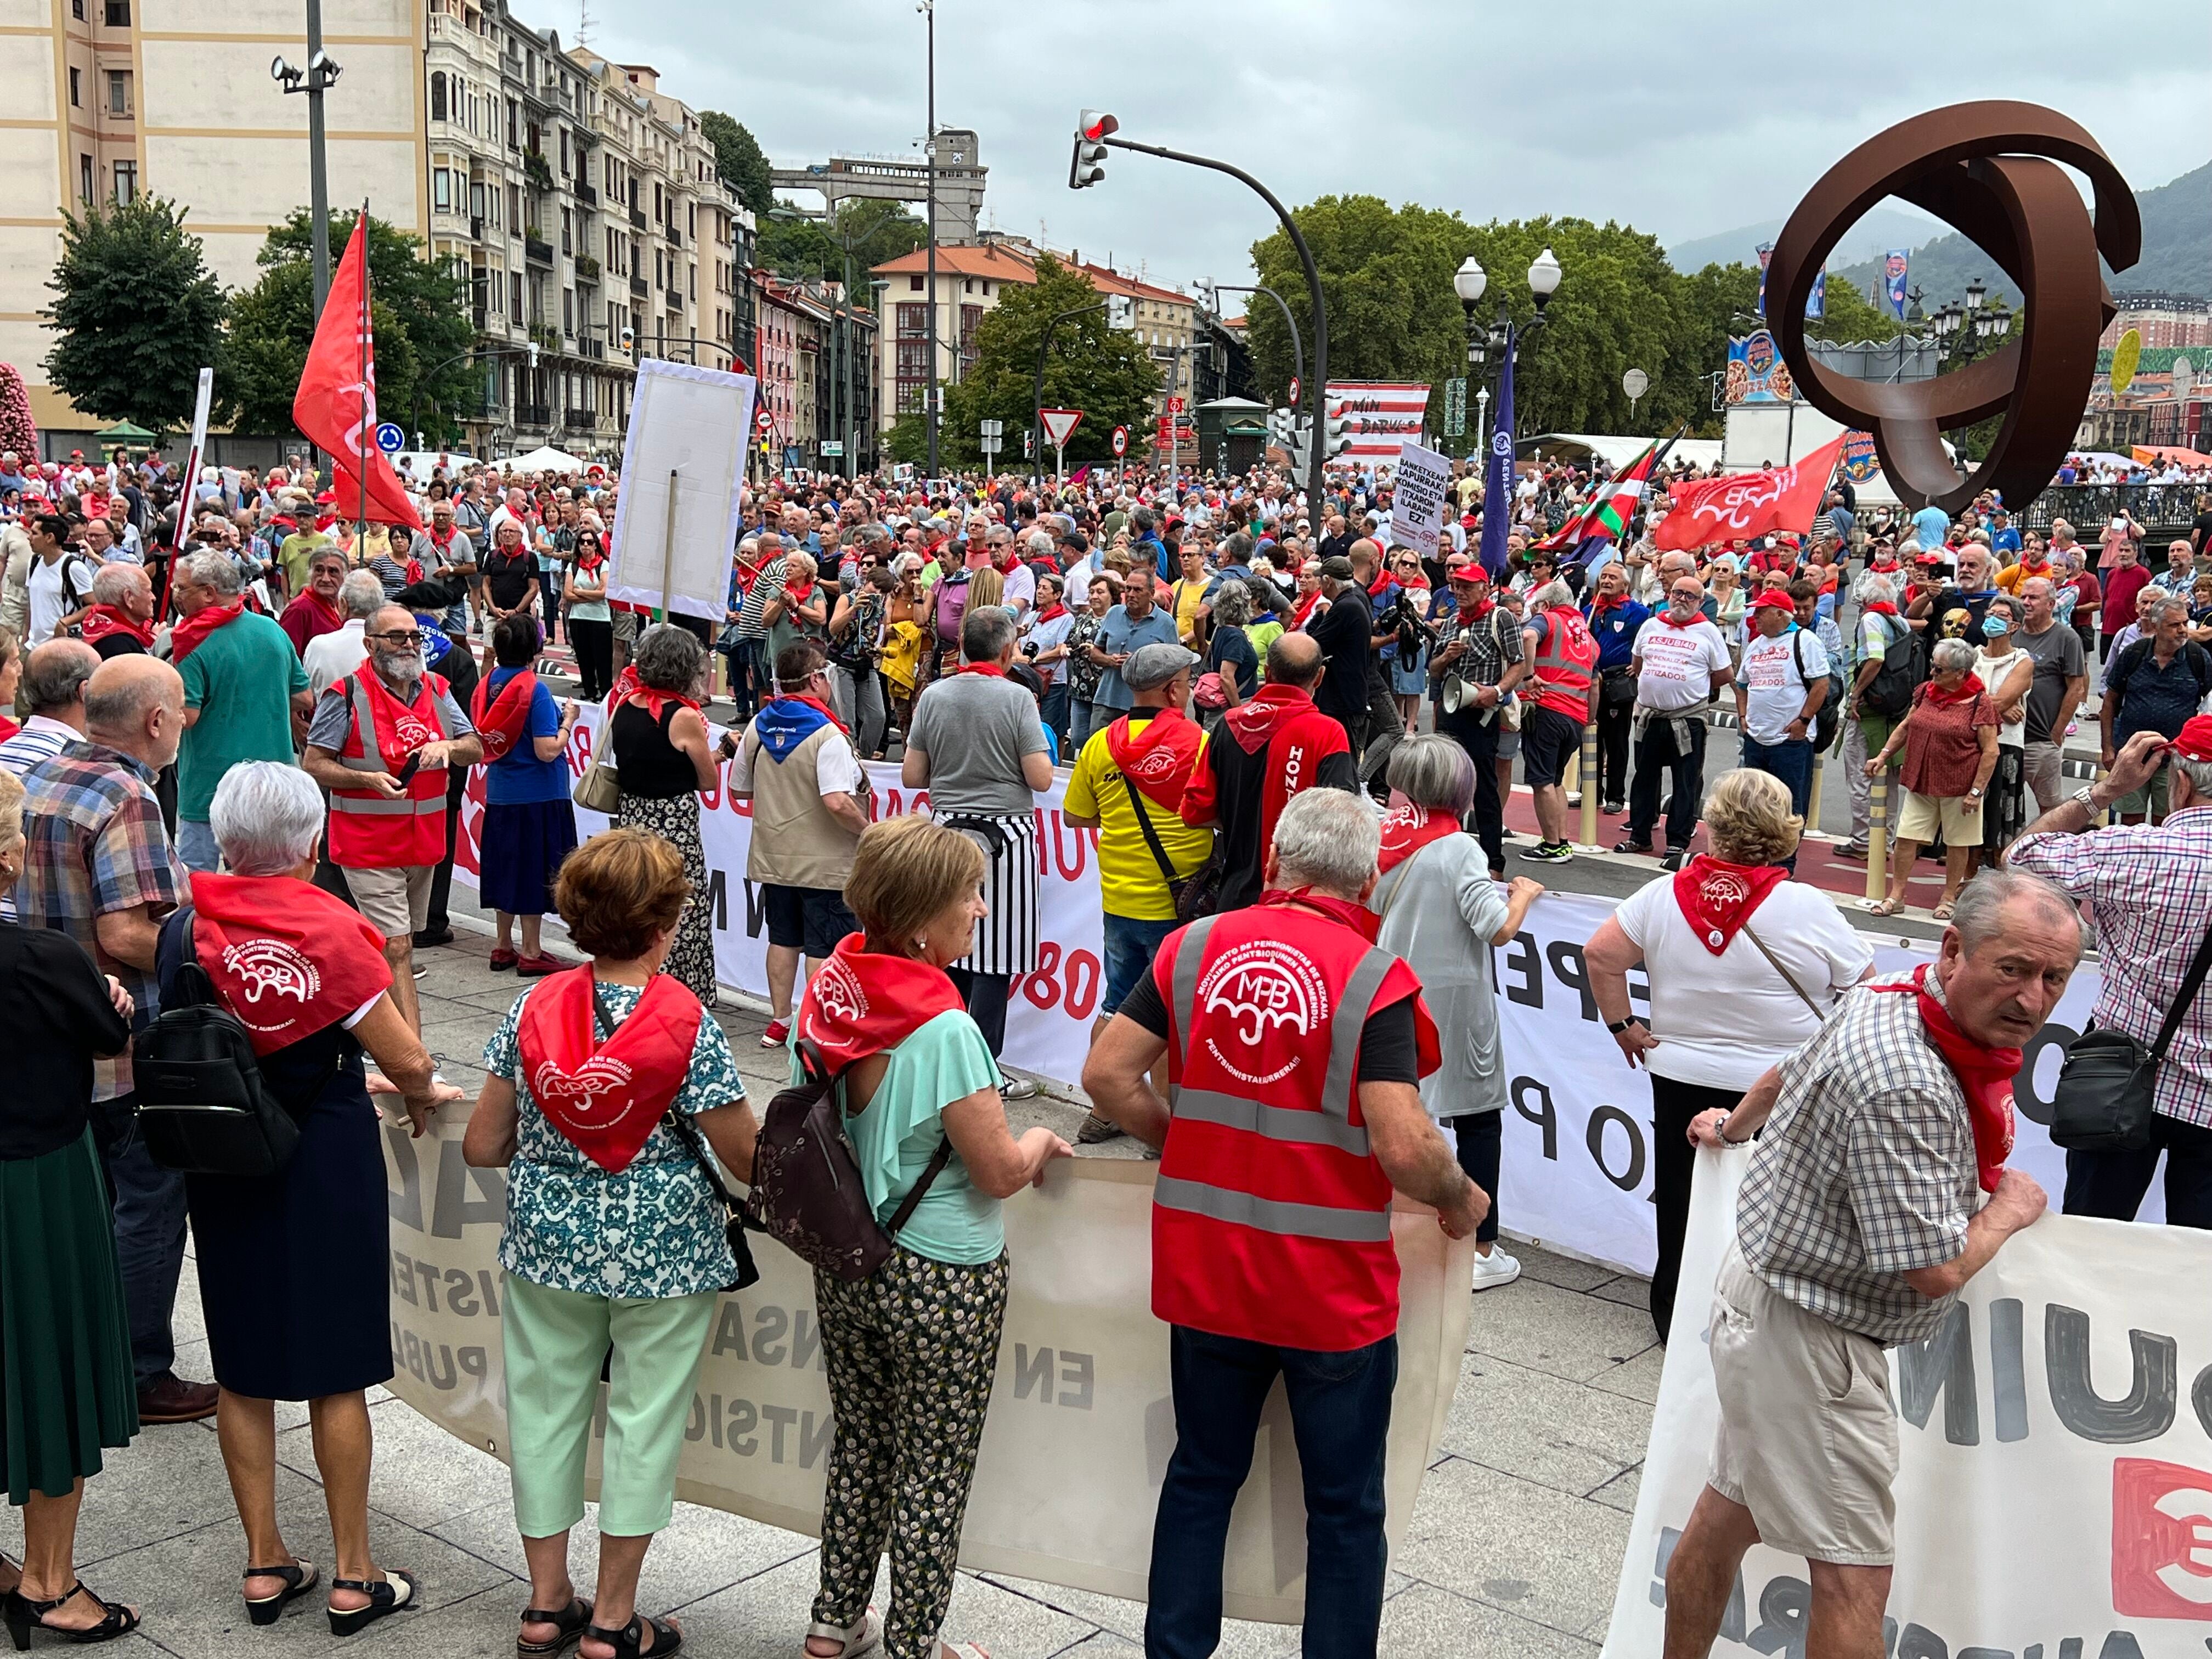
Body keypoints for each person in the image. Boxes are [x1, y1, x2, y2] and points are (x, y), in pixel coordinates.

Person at [1081, 787, 1485, 1659]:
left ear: (1273, 863)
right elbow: (1404, 1143)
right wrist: (1459, 1200)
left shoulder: (1192, 947)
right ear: (1368, 883)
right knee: (1344, 1509)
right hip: (1329, 1288)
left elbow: (1107, 1075)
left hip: (1207, 1270)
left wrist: (1182, 1140)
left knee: (1201, 1475)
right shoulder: (1373, 978)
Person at [1660, 872, 2073, 1659]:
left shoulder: (1889, 995)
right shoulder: (1909, 1081)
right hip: (1813, 1341)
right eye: (2013, 969)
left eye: (2054, 977)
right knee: (1854, 1581)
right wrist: (2008, 1211)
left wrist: (1732, 1128)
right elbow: (1934, 1269)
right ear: (1952, 951)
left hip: (1769, 1304)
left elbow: (1786, 1071)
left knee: (1725, 1516)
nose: (2033, 999)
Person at [160, 764, 460, 1638]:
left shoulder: (185, 926)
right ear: (313, 844)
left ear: (224, 840)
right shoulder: (330, 928)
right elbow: (404, 1057)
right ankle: (356, 1574)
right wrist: (419, 1091)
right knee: (337, 1368)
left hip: (224, 1153)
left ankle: (264, 1561)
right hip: (323, 1155)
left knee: (242, 1363)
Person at [465, 828, 760, 1659]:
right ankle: (613, 1619)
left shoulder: (532, 1008)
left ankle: (546, 1602)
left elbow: (482, 1145)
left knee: (543, 1412)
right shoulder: (687, 1021)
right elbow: (743, 1158)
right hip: (666, 1251)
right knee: (644, 1422)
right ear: (664, 927)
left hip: (547, 1248)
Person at [793, 816, 1071, 1659]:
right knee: (934, 1465)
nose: (982, 910)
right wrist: (1040, 1142)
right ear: (920, 924)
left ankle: (833, 1620)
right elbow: (998, 1171)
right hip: (944, 1271)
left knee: (861, 1442)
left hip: (849, 1256)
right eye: (970, 896)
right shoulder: (946, 1030)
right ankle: (916, 1643)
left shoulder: (832, 988)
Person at [1584, 768, 1875, 1340]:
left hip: (1680, 1071)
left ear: (1713, 826)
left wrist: (1624, 1026)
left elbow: (1601, 955)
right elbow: (1865, 992)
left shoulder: (1665, 893)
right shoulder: (1807, 906)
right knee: (1778, 1205)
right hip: (1781, 1083)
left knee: (1684, 1199)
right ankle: (1760, 1327)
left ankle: (1677, 1316)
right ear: (1784, 832)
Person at [15, 656, 215, 1425]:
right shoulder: (127, 794)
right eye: (180, 710)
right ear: (156, 721)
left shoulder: (46, 774)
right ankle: (138, 1373)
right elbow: (127, 933)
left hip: (56, 1035)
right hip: (122, 1040)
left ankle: (88, 1357)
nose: (184, 723)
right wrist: (204, 951)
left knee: (96, 1207)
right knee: (150, 1206)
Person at [0, 766, 145, 1647]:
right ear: (8, 861)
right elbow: (105, 1032)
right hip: (37, 1186)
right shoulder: (45, 959)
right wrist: (111, 1000)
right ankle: (49, 1582)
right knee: (48, 1364)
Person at [2011, 724, 2212, 1226]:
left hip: (2116, 1078)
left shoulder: (2136, 851)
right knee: (2201, 1259)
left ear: (2181, 783)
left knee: (2091, 1237)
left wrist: (2106, 791)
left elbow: (2019, 861)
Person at [1368, 737, 1542, 1290]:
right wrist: (1522, 894)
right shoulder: (1459, 847)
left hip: (1393, 993)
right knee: (1478, 1118)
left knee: (1399, 1114)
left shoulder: (1381, 837)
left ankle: (1393, 1227)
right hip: (1457, 1002)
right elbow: (1497, 927)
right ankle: (1480, 1247)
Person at [301, 605, 483, 1030]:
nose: (409, 645)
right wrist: (366, 780)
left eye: (414, 637)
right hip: (367, 845)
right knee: (397, 946)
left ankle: (367, 1028)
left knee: (399, 946)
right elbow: (314, 763)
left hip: (424, 845)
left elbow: (474, 746)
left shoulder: (436, 688)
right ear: (370, 645)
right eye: (397, 637)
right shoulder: (346, 694)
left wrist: (449, 748)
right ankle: (411, 1055)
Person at [1063, 641, 1211, 1143]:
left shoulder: (1099, 744)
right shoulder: (1198, 744)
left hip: (1119, 901)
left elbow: (1076, 815)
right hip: (1179, 905)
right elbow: (1216, 814)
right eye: (1187, 683)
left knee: (1116, 1005)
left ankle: (1104, 1112)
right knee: (1168, 1018)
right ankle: (1170, 1129)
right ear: (1172, 690)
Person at [903, 605, 1053, 1076]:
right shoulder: (1017, 698)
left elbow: (912, 775)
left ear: (963, 647)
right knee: (998, 951)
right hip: (1006, 836)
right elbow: (1041, 778)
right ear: (1007, 651)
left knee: (946, 942)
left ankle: (943, 1059)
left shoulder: (934, 695)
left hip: (946, 830)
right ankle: (985, 1070)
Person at [731, 640, 868, 1050]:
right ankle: (817, 1027)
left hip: (774, 856)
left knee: (783, 939)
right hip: (826, 862)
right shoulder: (828, 734)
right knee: (824, 947)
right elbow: (837, 801)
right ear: (817, 680)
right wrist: (869, 832)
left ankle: (779, 1021)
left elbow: (739, 789)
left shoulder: (758, 725)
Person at [1178, 631, 1357, 915]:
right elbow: (1342, 824)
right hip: (1297, 903)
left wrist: (1242, 822)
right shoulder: (1327, 733)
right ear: (1319, 677)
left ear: (1269, 672)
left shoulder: (1228, 724)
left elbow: (1194, 812)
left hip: (1234, 898)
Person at [604, 625, 733, 1007]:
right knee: (681, 909)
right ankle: (681, 991)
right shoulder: (683, 716)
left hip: (633, 816)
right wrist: (720, 754)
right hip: (672, 823)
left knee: (637, 899)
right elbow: (706, 781)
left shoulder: (625, 704)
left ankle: (634, 978)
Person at [168, 550, 313, 874]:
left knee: (197, 880)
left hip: (208, 787)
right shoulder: (272, 629)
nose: (176, 595)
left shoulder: (192, 641)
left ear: (209, 593)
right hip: (270, 784)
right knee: (265, 878)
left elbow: (188, 717)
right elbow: (304, 697)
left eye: (182, 588)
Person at [473, 613, 580, 975]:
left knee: (506, 867)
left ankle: (503, 944)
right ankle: (532, 950)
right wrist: (568, 721)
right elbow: (547, 750)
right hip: (539, 792)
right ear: (535, 649)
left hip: (501, 791)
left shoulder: (486, 685)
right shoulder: (534, 690)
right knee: (534, 869)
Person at [1866, 638, 2000, 918]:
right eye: (1933, 666)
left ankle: (1948, 898)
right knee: (1905, 838)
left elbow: (1991, 751)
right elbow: (1907, 726)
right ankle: (1896, 896)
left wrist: (1976, 792)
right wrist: (1883, 755)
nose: (1932, 673)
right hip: (1921, 780)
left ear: (1960, 673)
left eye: (1939, 669)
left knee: (1957, 843)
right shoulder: (1926, 692)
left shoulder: (1980, 703)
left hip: (1959, 787)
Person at [1617, 574, 1733, 868]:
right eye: (1678, 593)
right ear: (1669, 595)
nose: (1682, 599)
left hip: (1687, 720)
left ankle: (1677, 841)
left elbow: (1724, 674)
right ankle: (1640, 835)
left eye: (1690, 596)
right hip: (1651, 716)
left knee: (1685, 781)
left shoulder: (1708, 632)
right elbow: (1638, 663)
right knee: (1644, 777)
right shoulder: (1651, 625)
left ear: (1700, 602)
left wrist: (1692, 688)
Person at [1426, 562, 1526, 878]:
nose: (1460, 592)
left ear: (1484, 589)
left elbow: (1519, 664)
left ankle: (1493, 862)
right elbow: (1434, 669)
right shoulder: (1451, 622)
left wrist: (1496, 692)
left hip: (1482, 715)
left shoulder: (1501, 618)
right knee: (1446, 786)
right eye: (1457, 586)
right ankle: (1448, 855)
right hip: (1450, 713)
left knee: (1485, 789)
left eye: (1467, 587)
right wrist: (1446, 657)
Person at [2101, 595, 2212, 826]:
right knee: (2131, 821)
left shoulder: (2197, 658)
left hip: (2176, 759)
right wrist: (2108, 748)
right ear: (2156, 625)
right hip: (2133, 754)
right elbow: (2110, 701)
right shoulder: (2134, 654)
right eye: (2174, 625)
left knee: (2167, 821)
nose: (2183, 630)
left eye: (2185, 623)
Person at [1734, 584, 1827, 842]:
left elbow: (1821, 685)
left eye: (1761, 612)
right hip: (1756, 739)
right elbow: (1741, 685)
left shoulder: (1806, 641)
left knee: (1789, 808)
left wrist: (1803, 721)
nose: (1755, 617)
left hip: (1790, 741)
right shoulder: (1756, 644)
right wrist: (1743, 717)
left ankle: (1786, 860)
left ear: (1779, 614)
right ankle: (1757, 852)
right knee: (1754, 806)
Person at [1519, 577, 1598, 864]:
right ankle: (1562, 840)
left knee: (1541, 781)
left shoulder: (1548, 620)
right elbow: (1595, 684)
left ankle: (1552, 844)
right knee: (1555, 780)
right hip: (1575, 715)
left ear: (1546, 604)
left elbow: (1528, 637)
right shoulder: (1587, 637)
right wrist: (1589, 718)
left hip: (1547, 707)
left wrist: (1528, 676)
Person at [1584, 561, 1650, 814]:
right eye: (1604, 576)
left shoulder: (1638, 613)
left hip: (1618, 685)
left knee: (1616, 743)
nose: (1607, 581)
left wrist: (1640, 665)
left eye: (1613, 577)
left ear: (1625, 584)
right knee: (1590, 739)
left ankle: (1616, 796)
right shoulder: (1589, 610)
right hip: (1591, 683)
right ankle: (1590, 792)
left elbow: (1648, 642)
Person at [1974, 592, 2033, 858]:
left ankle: (1999, 873)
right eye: (1990, 614)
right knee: (1970, 823)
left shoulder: (2021, 661)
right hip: (1971, 744)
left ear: (2014, 626)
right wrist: (2000, 707)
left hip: (2006, 745)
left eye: (2002, 616)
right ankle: (1967, 875)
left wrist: (1995, 703)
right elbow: (1958, 698)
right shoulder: (1972, 656)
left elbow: (1997, 700)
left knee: (2000, 824)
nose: (1993, 619)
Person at [1087, 568, 1178, 730]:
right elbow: (1095, 653)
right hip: (1107, 700)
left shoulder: (1166, 623)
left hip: (1144, 707)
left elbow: (1174, 667)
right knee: (1097, 744)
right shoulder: (1114, 613)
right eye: (1128, 588)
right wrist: (1110, 660)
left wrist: (1139, 662)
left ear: (1151, 593)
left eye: (1137, 590)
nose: (1130, 594)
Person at [1306, 554, 1374, 756]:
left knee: (1342, 755)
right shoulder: (1348, 602)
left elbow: (1314, 644)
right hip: (1344, 695)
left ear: (1328, 581)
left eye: (1320, 579)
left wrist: (1320, 617)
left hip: (1342, 698)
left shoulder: (1345, 606)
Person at [303, 570, 386, 698]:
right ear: (380, 608)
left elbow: (308, 696)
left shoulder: (317, 646)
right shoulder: (391, 645)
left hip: (328, 710)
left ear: (343, 605)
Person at [563, 527, 614, 702]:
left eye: (590, 542)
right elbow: (568, 594)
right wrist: (592, 595)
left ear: (595, 545)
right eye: (582, 542)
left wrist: (579, 592)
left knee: (603, 659)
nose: (586, 545)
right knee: (584, 659)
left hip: (600, 619)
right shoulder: (573, 566)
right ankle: (589, 690)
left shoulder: (604, 565)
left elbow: (604, 593)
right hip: (578, 618)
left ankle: (605, 693)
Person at [279, 546, 351, 658]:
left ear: (345, 575)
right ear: (311, 574)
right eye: (319, 571)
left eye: (333, 572)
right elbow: (287, 658)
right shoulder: (299, 609)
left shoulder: (340, 605)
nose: (325, 579)